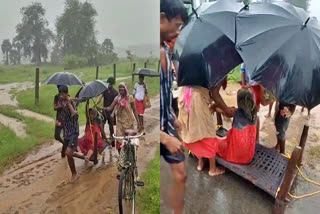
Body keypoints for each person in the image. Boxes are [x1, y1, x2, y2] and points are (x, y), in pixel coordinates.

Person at [160, 1, 188, 213]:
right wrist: (164, 138)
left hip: (165, 124)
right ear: (161, 19)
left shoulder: (166, 51)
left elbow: (164, 95)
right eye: (177, 25)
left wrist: (173, 117)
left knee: (180, 174)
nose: (178, 30)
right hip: (156, 131)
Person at [178, 86, 225, 176]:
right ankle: (212, 169)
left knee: (196, 135)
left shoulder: (184, 84)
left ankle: (200, 163)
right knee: (208, 136)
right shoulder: (203, 80)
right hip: (198, 103)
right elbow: (215, 95)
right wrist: (226, 109)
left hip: (187, 102)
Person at [213, 89, 258, 164]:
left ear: (239, 102)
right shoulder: (254, 113)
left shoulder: (236, 112)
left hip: (235, 155)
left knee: (215, 142)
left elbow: (219, 109)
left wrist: (213, 105)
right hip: (249, 155)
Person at [101, 82, 141, 153]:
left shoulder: (130, 98)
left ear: (125, 88)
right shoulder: (117, 98)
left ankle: (131, 156)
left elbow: (134, 110)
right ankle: (121, 158)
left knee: (130, 141)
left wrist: (138, 122)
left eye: (122, 87)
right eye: (119, 87)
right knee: (119, 140)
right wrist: (102, 108)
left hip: (129, 123)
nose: (121, 88)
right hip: (119, 123)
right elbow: (110, 108)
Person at [59, 85, 80, 182]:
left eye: (62, 94)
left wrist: (69, 103)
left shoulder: (72, 102)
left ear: (66, 93)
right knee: (68, 153)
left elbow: (75, 115)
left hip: (74, 131)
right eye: (60, 94)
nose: (61, 96)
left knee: (68, 153)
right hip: (67, 131)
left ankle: (74, 173)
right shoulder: (62, 102)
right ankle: (74, 171)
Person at [97, 77, 119, 146]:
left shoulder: (115, 92)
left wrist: (113, 113)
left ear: (112, 84)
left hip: (111, 112)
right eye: (108, 84)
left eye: (110, 84)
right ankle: (103, 140)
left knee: (111, 127)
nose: (109, 85)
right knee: (101, 125)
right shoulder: (105, 90)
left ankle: (112, 143)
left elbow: (116, 104)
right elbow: (100, 97)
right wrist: (97, 103)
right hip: (104, 111)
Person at [54, 85, 66, 157]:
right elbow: (55, 107)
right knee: (57, 136)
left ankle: (63, 152)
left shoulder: (66, 97)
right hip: (59, 119)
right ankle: (66, 144)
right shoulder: (56, 97)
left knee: (65, 136)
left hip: (66, 119)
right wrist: (61, 106)